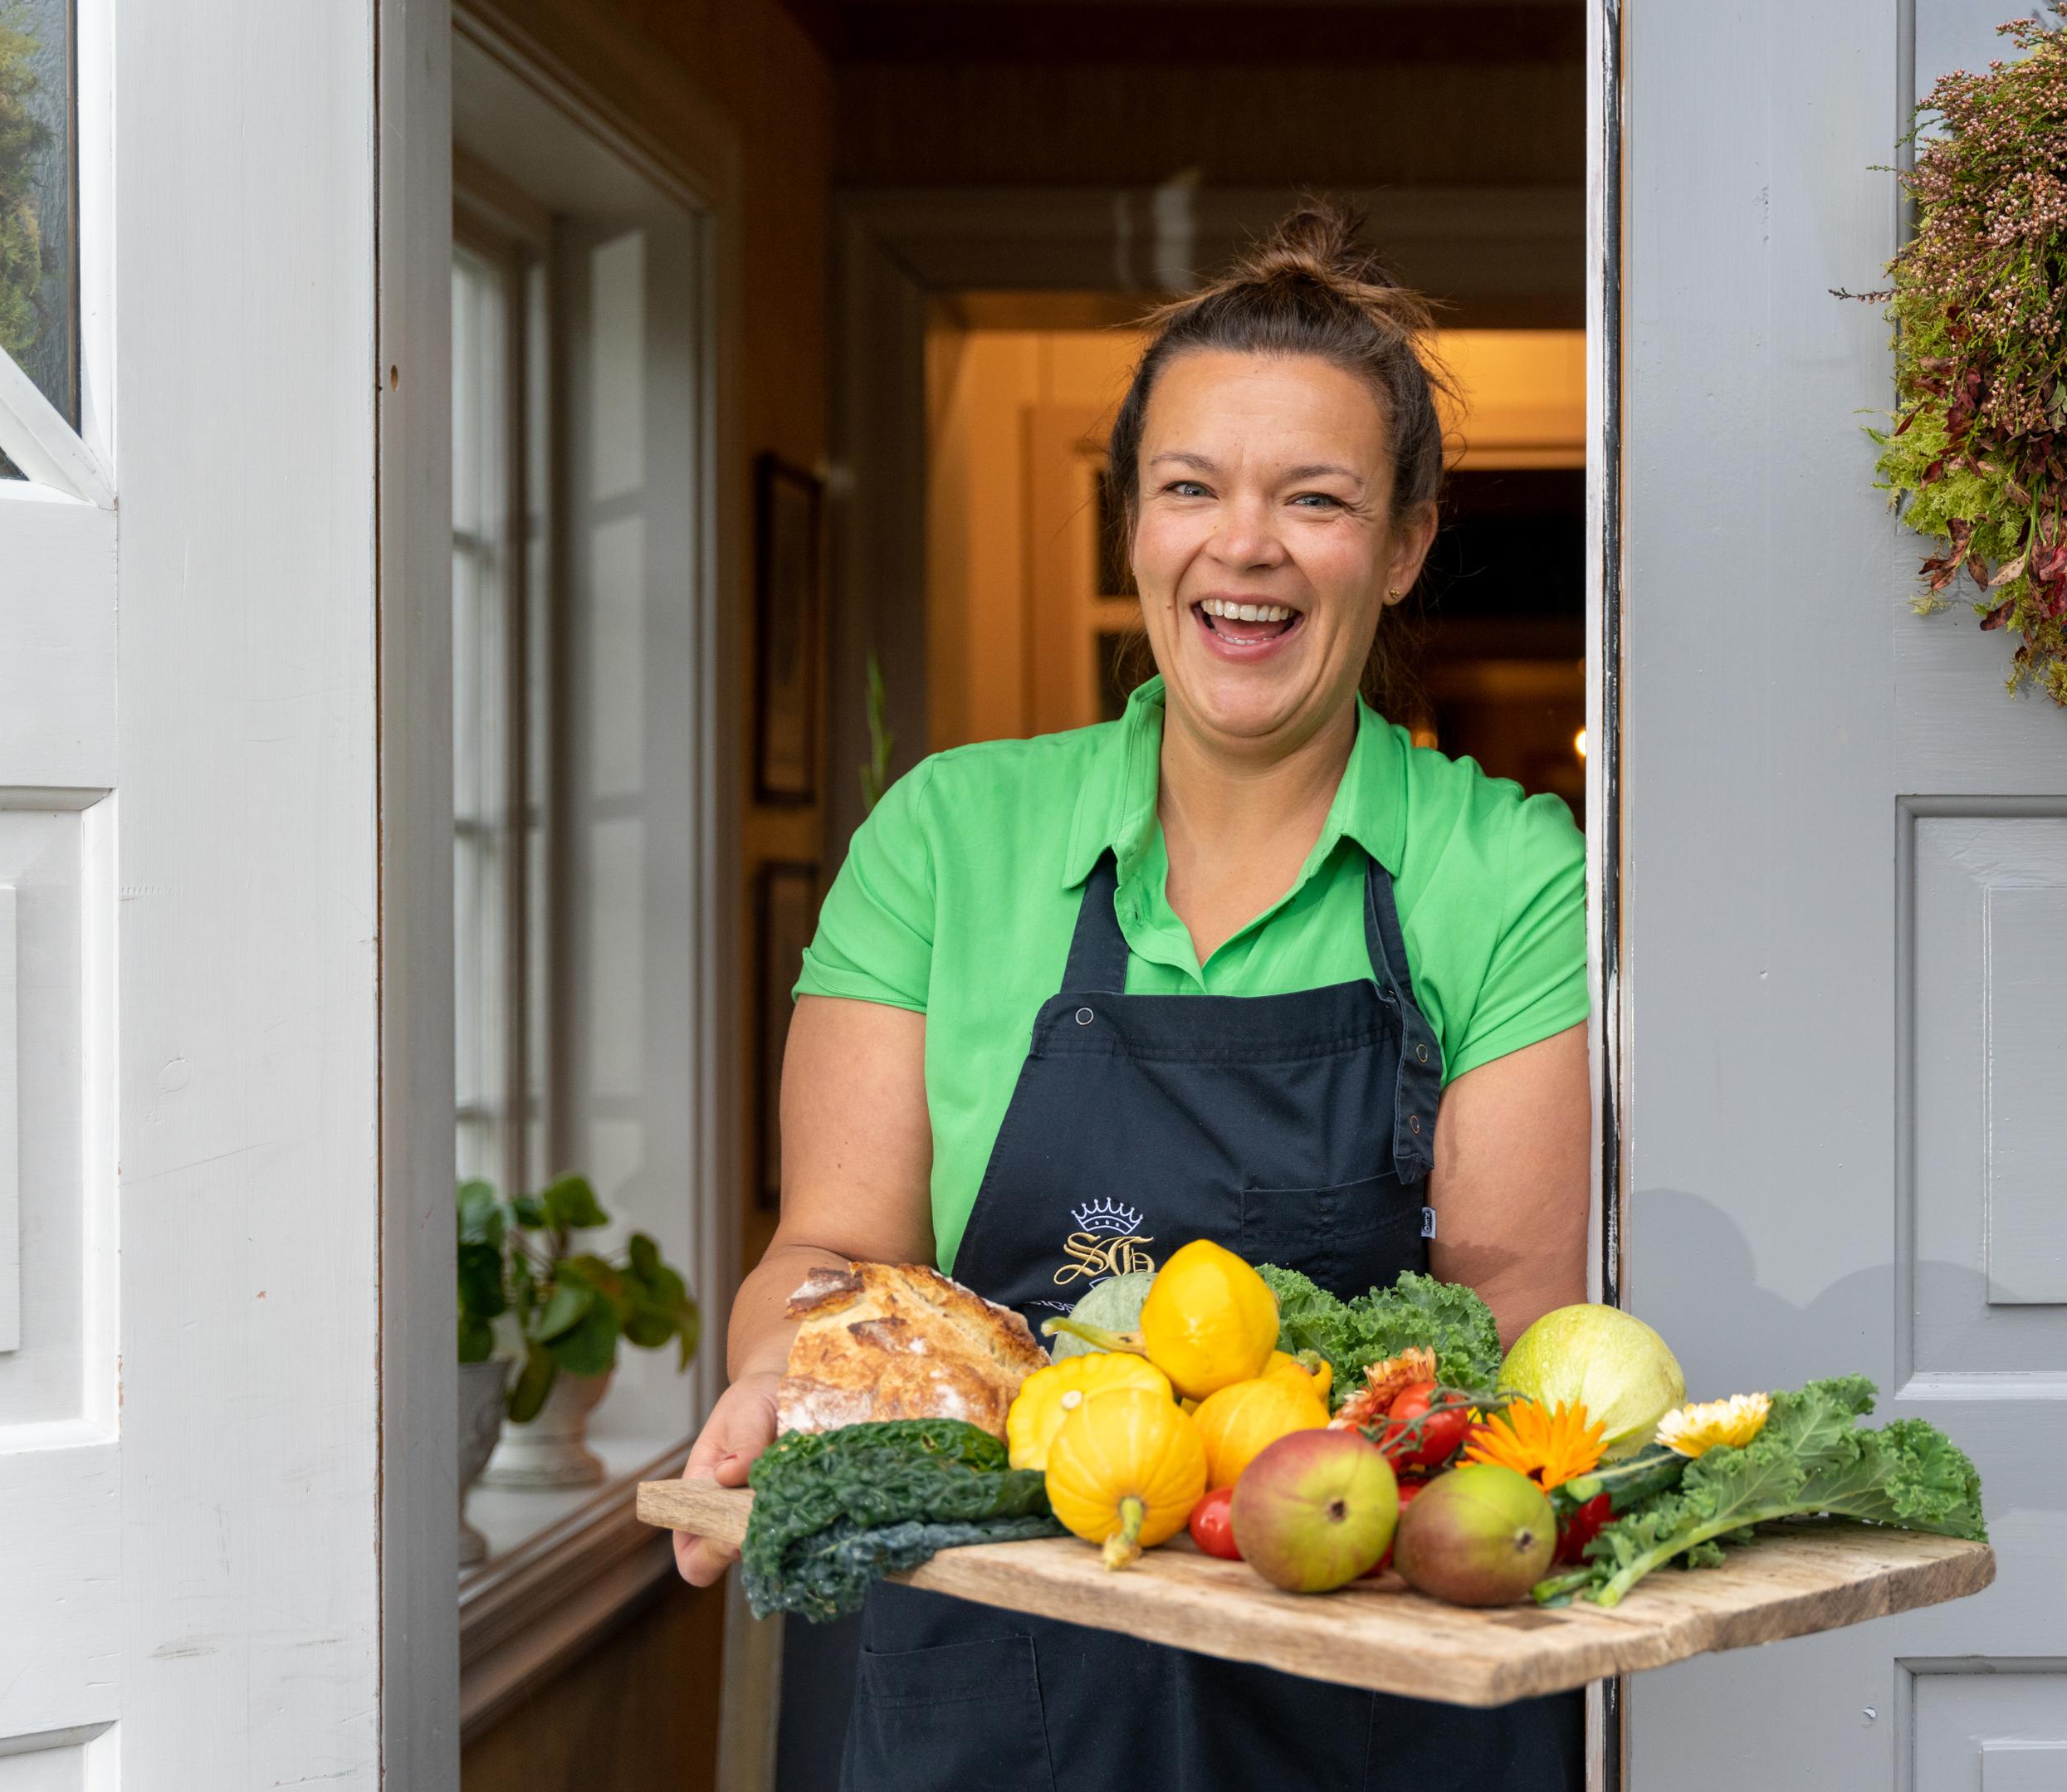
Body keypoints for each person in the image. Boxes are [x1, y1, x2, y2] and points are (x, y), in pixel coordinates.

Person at [674, 204, 1591, 1791]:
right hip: (980, 1663)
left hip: (1353, 1668)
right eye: (1191, 489)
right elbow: (829, 1257)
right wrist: (791, 1372)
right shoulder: (951, 839)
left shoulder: (1506, 872)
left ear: (1405, 541)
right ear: (1134, 525)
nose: (1245, 547)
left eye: (1316, 499)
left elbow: (1496, 1346)